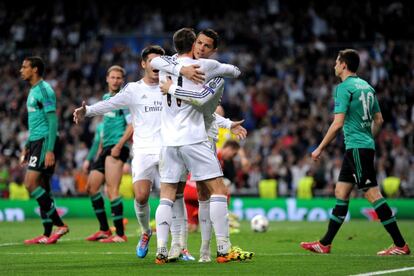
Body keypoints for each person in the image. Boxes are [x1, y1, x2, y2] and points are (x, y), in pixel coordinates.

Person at [300, 49, 410, 256]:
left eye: (336, 62)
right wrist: (368, 138)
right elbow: (379, 120)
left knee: (371, 193)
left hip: (357, 148)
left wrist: (319, 148)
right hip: (359, 147)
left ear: (343, 65)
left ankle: (400, 245)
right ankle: (325, 244)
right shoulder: (368, 87)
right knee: (341, 192)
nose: (334, 66)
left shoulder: (344, 88)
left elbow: (337, 123)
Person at [156, 28, 252, 263]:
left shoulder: (166, 65)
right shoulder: (208, 68)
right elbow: (236, 71)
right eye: (199, 43)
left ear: (213, 49)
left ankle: (173, 250)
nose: (201, 48)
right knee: (218, 191)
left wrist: (174, 80)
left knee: (170, 196)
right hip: (193, 140)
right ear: (192, 43)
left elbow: (155, 61)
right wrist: (210, 71)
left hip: (169, 141)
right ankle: (222, 248)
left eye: (206, 46)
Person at [74, 65, 133, 243]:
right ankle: (104, 230)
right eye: (112, 77)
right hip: (105, 148)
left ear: (122, 81)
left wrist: (119, 145)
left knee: (112, 190)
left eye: (118, 78)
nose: (115, 80)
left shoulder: (124, 100)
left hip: (117, 147)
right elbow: (105, 127)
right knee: (91, 188)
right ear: (107, 79)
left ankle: (120, 234)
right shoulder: (106, 98)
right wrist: (100, 148)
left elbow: (132, 125)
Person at [19, 56, 69, 244]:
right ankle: (47, 234)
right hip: (35, 142)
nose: (21, 70)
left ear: (35, 69)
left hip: (44, 142)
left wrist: (49, 150)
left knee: (30, 184)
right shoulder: (33, 91)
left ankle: (60, 225)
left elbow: (52, 120)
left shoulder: (44, 90)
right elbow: (36, 123)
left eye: (24, 67)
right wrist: (27, 146)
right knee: (44, 188)